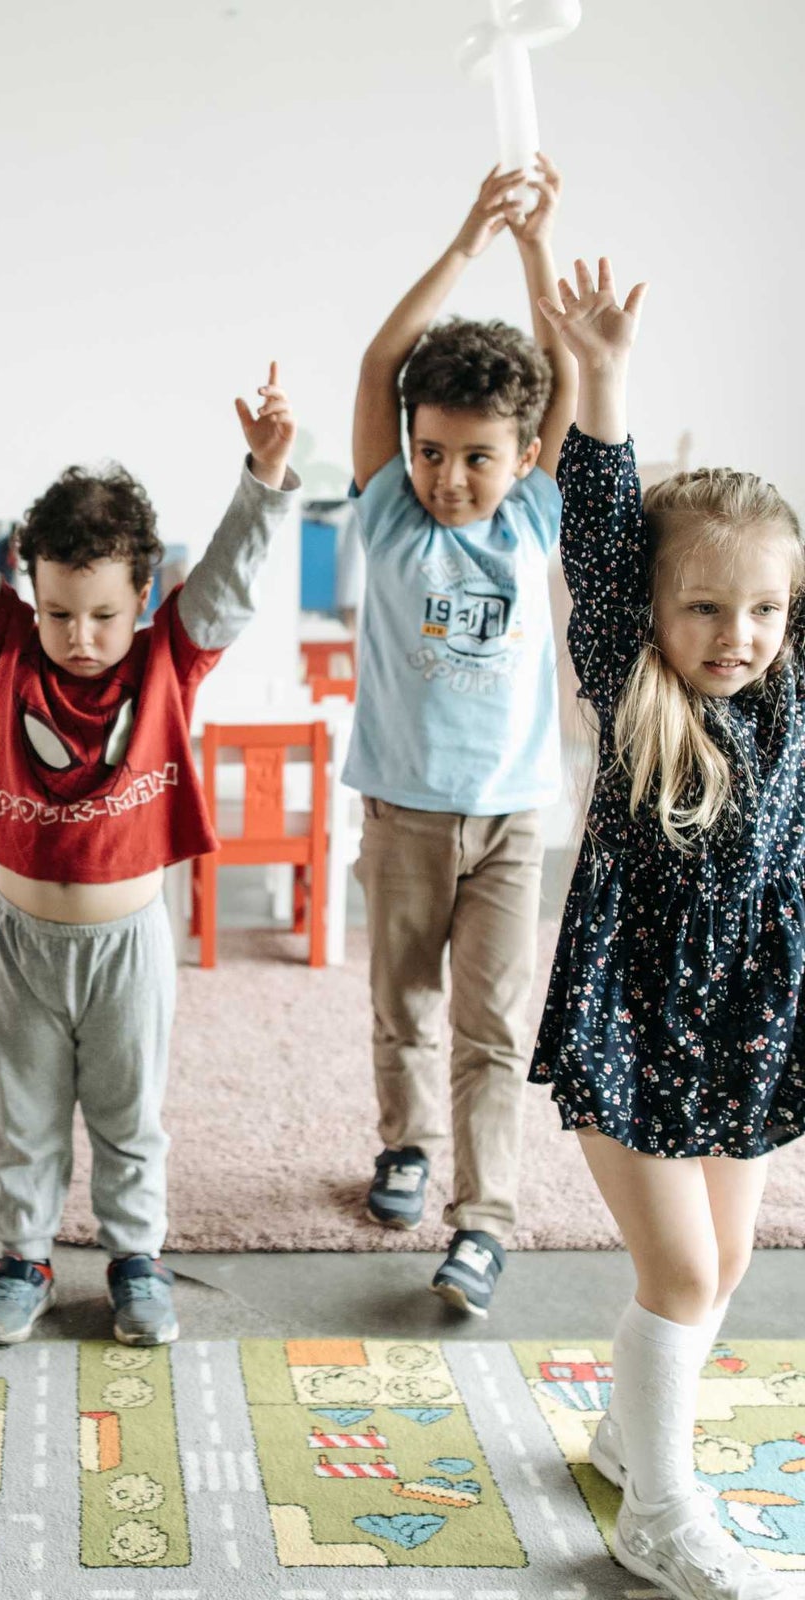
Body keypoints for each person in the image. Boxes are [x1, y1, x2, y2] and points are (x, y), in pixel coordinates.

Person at [0, 356, 301, 1346]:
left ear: (144, 596)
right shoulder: (7, 643)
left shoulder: (167, 657)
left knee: (127, 1118)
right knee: (21, 1120)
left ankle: (135, 1259)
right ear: (31, 590)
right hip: (22, 938)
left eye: (104, 612)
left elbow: (229, 586)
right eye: (59, 610)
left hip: (128, 943)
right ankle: (20, 1257)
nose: (80, 635)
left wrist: (265, 477)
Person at [532, 256, 800, 1600]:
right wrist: (605, 381)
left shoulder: (789, 693)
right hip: (627, 1017)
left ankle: (628, 1440)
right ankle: (660, 1514)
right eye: (705, 604)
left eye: (763, 608)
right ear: (655, 610)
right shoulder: (633, 684)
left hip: (745, 1023)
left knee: (730, 1259)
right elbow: (597, 528)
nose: (736, 632)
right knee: (681, 1266)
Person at [348, 160, 577, 1312]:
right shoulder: (388, 505)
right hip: (400, 811)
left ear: (523, 456)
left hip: (511, 821)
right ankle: (405, 1144)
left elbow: (564, 376)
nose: (446, 476)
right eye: (431, 450)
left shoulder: (536, 509)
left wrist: (536, 249)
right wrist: (465, 239)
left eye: (474, 456)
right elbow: (379, 365)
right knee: (403, 1003)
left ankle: (482, 1220)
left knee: (492, 1024)